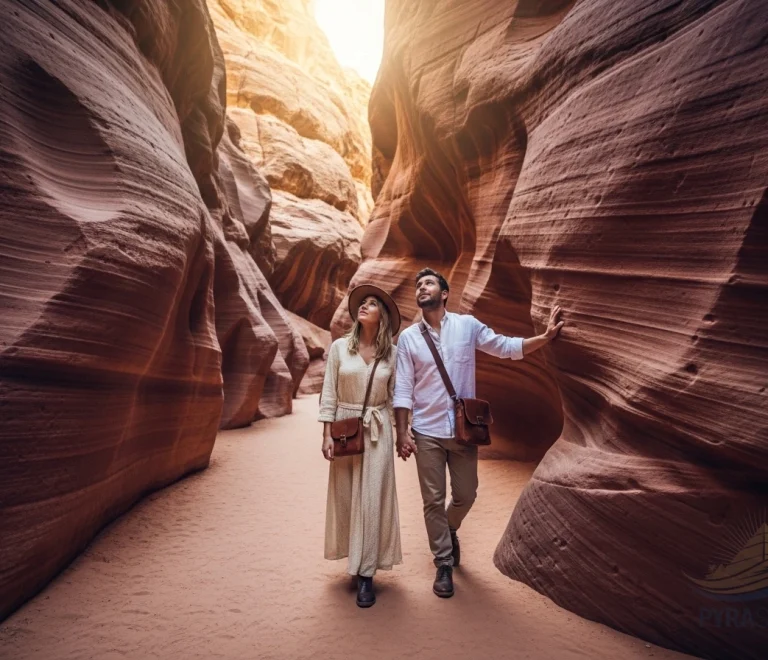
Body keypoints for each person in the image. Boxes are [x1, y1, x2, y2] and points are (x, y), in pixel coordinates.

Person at [392, 268, 565, 598]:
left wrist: (543, 339)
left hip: (462, 431)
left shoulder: (467, 326)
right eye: (417, 285)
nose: (421, 288)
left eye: (428, 283)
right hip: (425, 430)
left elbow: (502, 346)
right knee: (432, 500)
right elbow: (402, 388)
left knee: (466, 494)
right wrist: (402, 432)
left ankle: (451, 527)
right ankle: (443, 564)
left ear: (444, 294)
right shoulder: (409, 339)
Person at [318, 284, 403, 608]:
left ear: (382, 315)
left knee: (372, 499)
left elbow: (395, 398)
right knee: (348, 497)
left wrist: (402, 433)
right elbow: (329, 393)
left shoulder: (392, 354)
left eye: (372, 303)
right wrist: (326, 434)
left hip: (378, 431)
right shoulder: (340, 348)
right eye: (362, 303)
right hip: (345, 428)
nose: (364, 306)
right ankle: (354, 558)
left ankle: (366, 574)